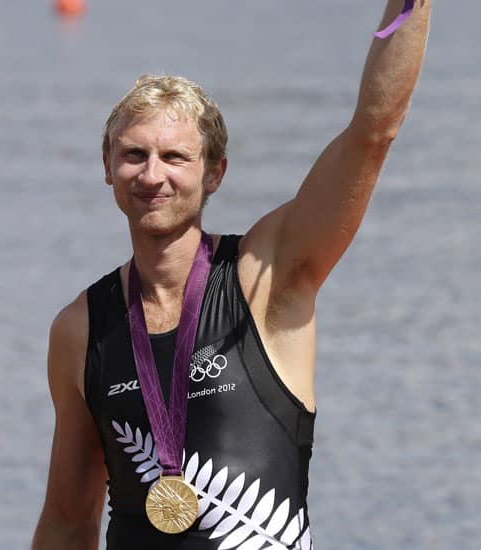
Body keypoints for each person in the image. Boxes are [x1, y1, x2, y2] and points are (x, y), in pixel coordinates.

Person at [32, 2, 430, 548]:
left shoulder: (267, 277)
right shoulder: (80, 328)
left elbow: (374, 130)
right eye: (133, 155)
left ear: (214, 173)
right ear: (107, 166)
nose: (152, 175)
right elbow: (67, 522)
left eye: (175, 156)